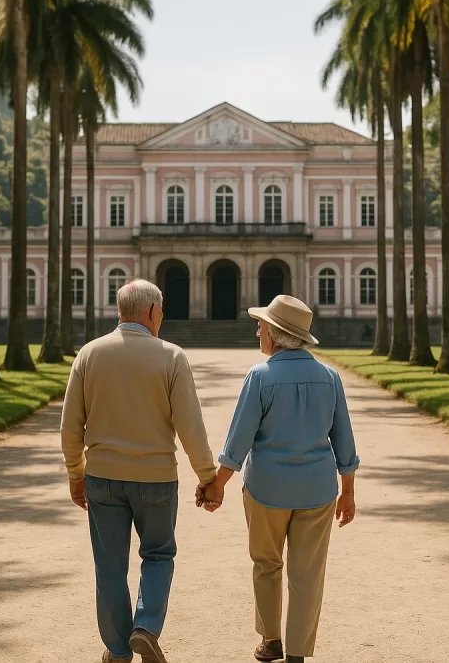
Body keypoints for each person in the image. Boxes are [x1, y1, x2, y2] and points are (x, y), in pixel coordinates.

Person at [61, 279, 217, 663]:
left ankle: (117, 651)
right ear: (151, 311)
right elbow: (190, 427)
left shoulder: (89, 354)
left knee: (109, 567)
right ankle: (145, 628)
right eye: (160, 312)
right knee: (159, 555)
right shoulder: (172, 356)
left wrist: (76, 473)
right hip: (156, 478)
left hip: (102, 478)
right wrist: (207, 476)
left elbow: (70, 426)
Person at [199, 294, 360, 663]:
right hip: (317, 491)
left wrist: (217, 484)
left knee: (266, 564)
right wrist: (348, 491)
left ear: (273, 334)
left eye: (261, 326)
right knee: (308, 573)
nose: (258, 332)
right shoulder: (330, 377)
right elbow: (344, 439)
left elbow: (238, 441)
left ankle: (271, 640)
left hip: (266, 489)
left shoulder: (260, 377)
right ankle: (298, 652)